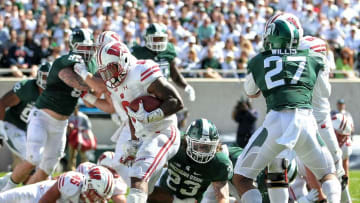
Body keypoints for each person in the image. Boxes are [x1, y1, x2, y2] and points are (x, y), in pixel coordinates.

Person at [232, 18, 341, 203]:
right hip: (306, 121)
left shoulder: (259, 60)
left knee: (242, 178)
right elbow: (324, 92)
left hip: (276, 122)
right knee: (328, 174)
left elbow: (251, 92)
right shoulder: (314, 58)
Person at [1, 28, 98, 192]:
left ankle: (26, 196)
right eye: (83, 47)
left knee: (47, 169)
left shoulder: (92, 65)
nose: (87, 51)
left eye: (89, 47)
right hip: (42, 117)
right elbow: (73, 80)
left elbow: (90, 101)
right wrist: (93, 87)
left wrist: (96, 92)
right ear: (74, 46)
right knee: (33, 158)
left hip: (61, 123)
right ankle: (5, 190)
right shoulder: (63, 61)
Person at [96, 41, 183, 203]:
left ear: (123, 60)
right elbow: (132, 114)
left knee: (138, 174)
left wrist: (152, 116)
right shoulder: (116, 85)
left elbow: (176, 101)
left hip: (163, 130)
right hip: (144, 134)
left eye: (111, 69)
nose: (109, 77)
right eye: (104, 72)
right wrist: (134, 143)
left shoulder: (141, 70)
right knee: (146, 188)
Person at [147, 118, 233, 203]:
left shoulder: (219, 162)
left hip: (190, 200)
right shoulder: (176, 142)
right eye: (196, 146)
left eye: (206, 147)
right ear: (187, 141)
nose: (201, 152)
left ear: (215, 145)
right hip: (164, 190)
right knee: (145, 190)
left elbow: (222, 196)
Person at [0, 63, 50, 190]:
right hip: (11, 125)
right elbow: (2, 103)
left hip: (28, 130)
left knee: (39, 162)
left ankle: (4, 185)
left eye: (49, 78)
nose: (46, 81)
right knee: (32, 159)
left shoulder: (53, 93)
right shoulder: (27, 88)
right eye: (43, 77)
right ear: (38, 76)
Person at [131, 23, 196, 102]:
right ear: (147, 39)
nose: (158, 42)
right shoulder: (139, 53)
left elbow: (174, 74)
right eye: (155, 39)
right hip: (145, 94)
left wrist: (186, 86)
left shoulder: (168, 50)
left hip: (163, 93)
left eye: (160, 39)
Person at [0, 166, 115, 203]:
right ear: (87, 185)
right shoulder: (71, 182)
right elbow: (45, 201)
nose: (98, 200)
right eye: (97, 195)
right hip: (35, 197)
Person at [67, 104, 97, 171]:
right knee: (71, 156)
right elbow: (66, 127)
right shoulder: (69, 117)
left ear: (78, 108)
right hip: (72, 138)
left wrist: (80, 129)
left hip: (81, 139)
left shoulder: (83, 117)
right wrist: (69, 127)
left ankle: (85, 170)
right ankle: (71, 170)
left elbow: (88, 128)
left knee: (83, 156)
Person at [332, 113, 354, 203]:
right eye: (339, 135)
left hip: (336, 169)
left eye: (344, 135)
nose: (341, 139)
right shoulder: (321, 137)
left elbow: (345, 165)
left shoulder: (346, 145)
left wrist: (346, 185)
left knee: (346, 200)